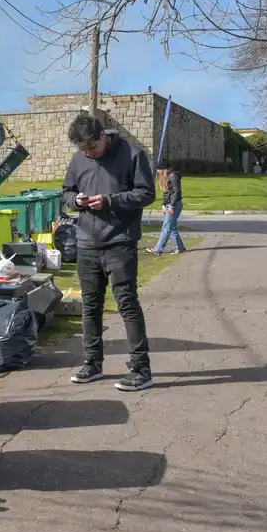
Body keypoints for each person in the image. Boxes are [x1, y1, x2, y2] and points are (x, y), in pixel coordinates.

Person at [61, 113, 156, 391]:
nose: (88, 152)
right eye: (83, 149)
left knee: (126, 303)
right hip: (87, 242)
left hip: (120, 241)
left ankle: (141, 369)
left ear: (103, 134)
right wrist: (76, 201)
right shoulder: (79, 160)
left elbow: (146, 193)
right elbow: (66, 192)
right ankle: (92, 363)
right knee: (90, 306)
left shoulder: (132, 153)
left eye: (92, 146)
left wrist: (109, 201)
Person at [150, 163, 186, 255]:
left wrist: (171, 206)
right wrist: (163, 204)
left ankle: (158, 249)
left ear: (164, 169)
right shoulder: (165, 177)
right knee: (171, 227)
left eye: (159, 170)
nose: (158, 172)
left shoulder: (173, 176)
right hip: (169, 204)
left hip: (174, 204)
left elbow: (176, 192)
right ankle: (179, 247)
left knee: (166, 227)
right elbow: (166, 193)